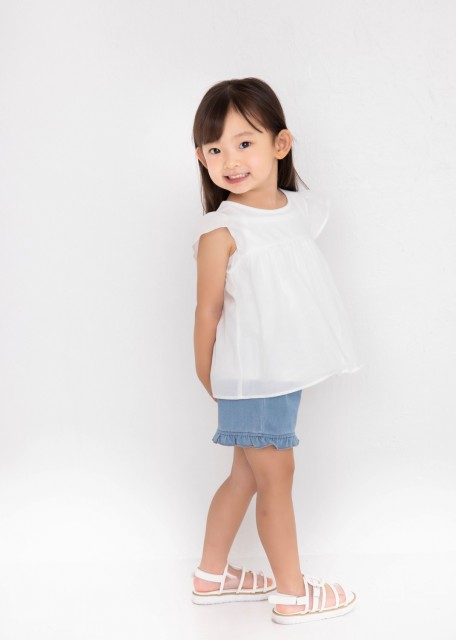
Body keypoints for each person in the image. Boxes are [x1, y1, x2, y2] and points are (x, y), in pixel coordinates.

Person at [190, 77, 363, 625]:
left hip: (279, 374)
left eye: (244, 142)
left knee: (246, 475)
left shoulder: (298, 211)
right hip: (255, 377)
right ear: (202, 159)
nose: (230, 160)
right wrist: (208, 375)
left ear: (280, 145)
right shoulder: (223, 231)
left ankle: (211, 575)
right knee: (275, 477)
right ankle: (292, 593)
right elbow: (207, 312)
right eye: (215, 149)